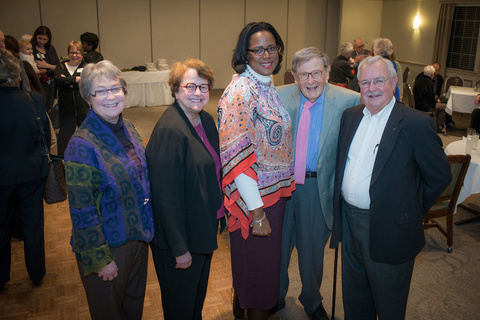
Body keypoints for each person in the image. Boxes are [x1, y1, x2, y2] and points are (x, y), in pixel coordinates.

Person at [330, 55, 451, 319]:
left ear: (393, 82)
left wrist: (409, 210)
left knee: (388, 305)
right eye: (365, 82)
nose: (371, 88)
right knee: (354, 298)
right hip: (350, 224)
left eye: (379, 81)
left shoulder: (416, 124)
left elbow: (440, 175)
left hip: (390, 229)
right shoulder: (350, 117)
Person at [64, 60, 154, 320]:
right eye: (100, 91)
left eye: (115, 88)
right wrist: (101, 259)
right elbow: (82, 209)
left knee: (132, 311)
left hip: (137, 239)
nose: (111, 96)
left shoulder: (129, 128)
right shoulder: (82, 144)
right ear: (88, 98)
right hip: (108, 247)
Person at [218, 21, 295, 320]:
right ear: (245, 54)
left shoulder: (264, 84)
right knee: (259, 276)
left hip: (270, 198)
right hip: (256, 203)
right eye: (258, 49)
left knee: (256, 271)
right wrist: (257, 213)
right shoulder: (241, 91)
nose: (267, 55)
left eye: (272, 47)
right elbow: (237, 157)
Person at [277, 47, 361, 320]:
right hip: (281, 188)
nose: (310, 80)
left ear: (326, 73)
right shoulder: (278, 96)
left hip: (316, 188)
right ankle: (274, 297)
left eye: (316, 73)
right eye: (303, 74)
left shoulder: (350, 101)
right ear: (294, 76)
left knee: (312, 252)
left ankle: (312, 301)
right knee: (276, 248)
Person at [146, 58, 224, 320]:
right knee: (180, 309)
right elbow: (165, 198)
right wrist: (179, 249)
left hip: (200, 230)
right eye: (190, 86)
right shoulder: (170, 130)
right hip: (179, 241)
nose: (198, 93)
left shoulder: (205, 121)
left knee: (194, 306)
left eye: (204, 87)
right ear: (176, 89)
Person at [0, 48, 49, 290]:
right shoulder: (35, 100)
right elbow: (45, 137)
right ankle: (37, 272)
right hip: (32, 171)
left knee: (1, 225)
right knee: (32, 224)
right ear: (16, 73)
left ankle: (1, 277)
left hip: (2, 177)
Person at [54, 40, 89, 156]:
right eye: (71, 52)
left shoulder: (87, 66)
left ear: (82, 54)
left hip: (83, 108)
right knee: (64, 139)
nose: (74, 56)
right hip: (67, 109)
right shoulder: (61, 66)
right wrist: (76, 80)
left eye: (77, 53)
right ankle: (60, 165)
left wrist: (67, 82)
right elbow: (58, 81)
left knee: (87, 138)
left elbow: (87, 81)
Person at [31, 26, 59, 112]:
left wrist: (46, 66)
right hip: (38, 83)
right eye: (40, 38)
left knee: (49, 107)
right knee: (39, 107)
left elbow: (58, 67)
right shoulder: (31, 48)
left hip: (50, 83)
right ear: (35, 36)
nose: (42, 41)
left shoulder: (51, 48)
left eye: (45, 39)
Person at [413, 65, 447, 133]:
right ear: (432, 74)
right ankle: (437, 127)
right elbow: (431, 99)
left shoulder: (418, 80)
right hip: (425, 105)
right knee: (444, 106)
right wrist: (436, 100)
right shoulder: (430, 83)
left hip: (417, 103)